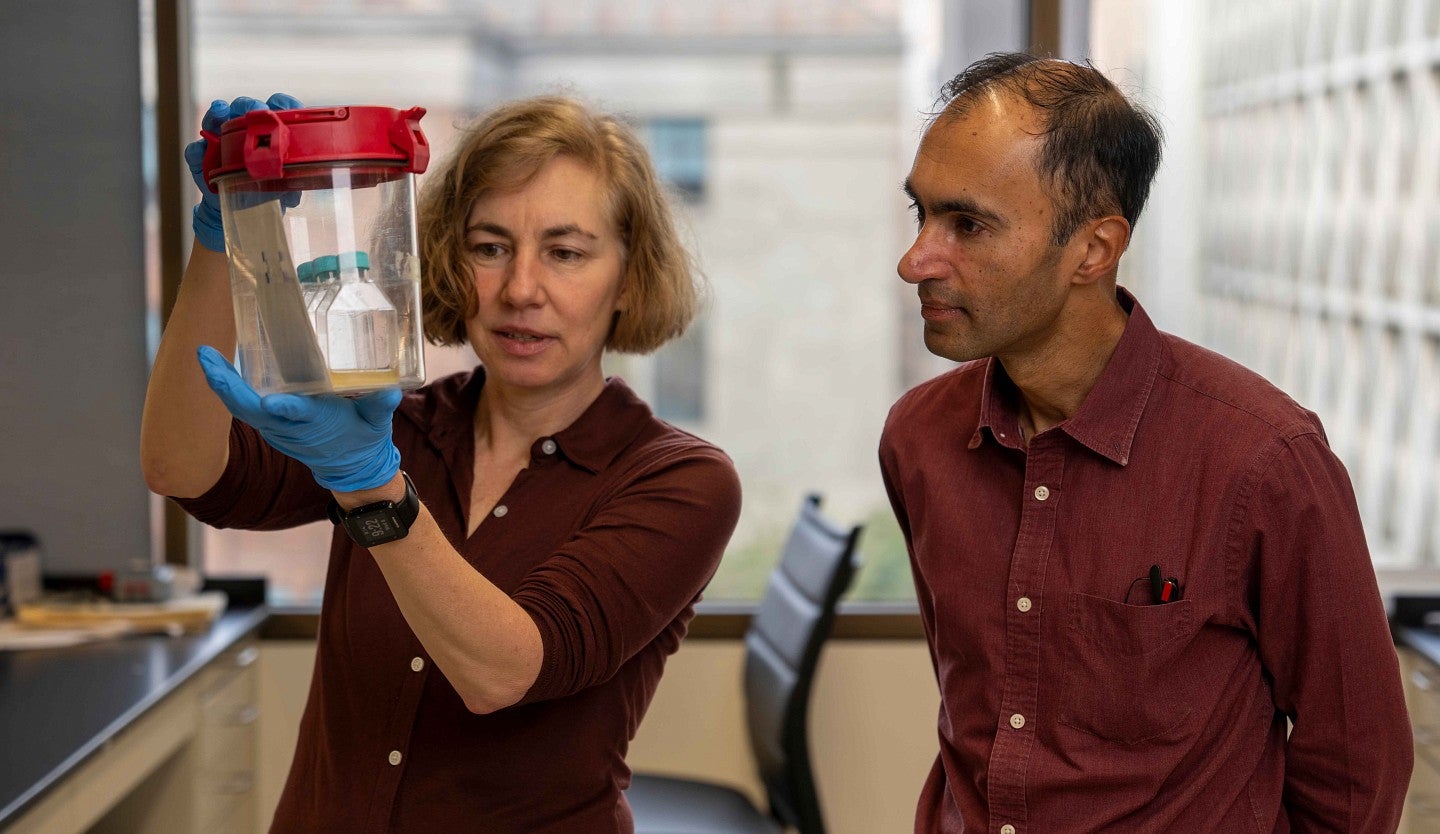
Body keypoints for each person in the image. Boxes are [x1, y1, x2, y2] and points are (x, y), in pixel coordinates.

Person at [140, 93, 742, 833]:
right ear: (450, 262)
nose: (521, 289)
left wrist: (373, 491)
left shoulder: (679, 481)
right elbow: (181, 466)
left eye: (566, 252)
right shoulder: (403, 424)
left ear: (629, 278)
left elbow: (505, 669)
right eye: (490, 247)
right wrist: (227, 232)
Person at [879, 52, 1412, 832]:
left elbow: (1360, 767)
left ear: (1093, 250)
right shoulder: (918, 438)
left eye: (967, 225)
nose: (915, 259)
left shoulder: (1264, 460)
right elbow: (976, 711)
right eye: (919, 215)